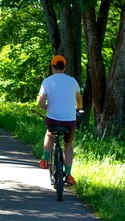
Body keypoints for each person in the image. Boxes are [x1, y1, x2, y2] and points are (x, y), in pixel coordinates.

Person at [37, 55, 83, 185]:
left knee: (49, 133)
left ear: (52, 67)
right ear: (65, 67)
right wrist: (78, 107)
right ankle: (68, 175)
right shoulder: (73, 81)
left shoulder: (47, 81)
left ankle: (45, 159)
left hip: (53, 120)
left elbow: (40, 102)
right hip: (69, 120)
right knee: (68, 144)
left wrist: (47, 107)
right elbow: (79, 100)